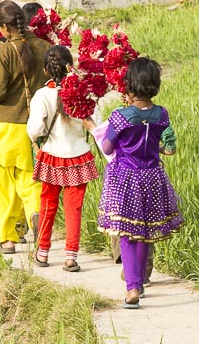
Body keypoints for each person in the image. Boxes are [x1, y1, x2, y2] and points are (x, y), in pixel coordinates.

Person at [97, 57, 181, 308]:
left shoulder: (120, 117)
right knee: (145, 231)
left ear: (130, 85)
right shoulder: (161, 114)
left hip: (125, 177)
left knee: (126, 232)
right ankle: (141, 279)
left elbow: (107, 145)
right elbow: (158, 141)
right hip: (153, 176)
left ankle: (132, 288)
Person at [0, 0, 49, 254]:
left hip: (5, 128)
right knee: (30, 180)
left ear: (4, 28)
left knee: (4, 185)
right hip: (33, 129)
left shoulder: (5, 52)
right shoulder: (44, 47)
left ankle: (8, 239)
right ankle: (35, 213)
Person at [27, 45, 98, 273]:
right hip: (79, 156)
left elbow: (35, 128)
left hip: (52, 157)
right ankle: (71, 257)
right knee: (74, 208)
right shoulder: (82, 93)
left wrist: (35, 138)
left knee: (48, 204)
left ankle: (43, 252)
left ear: (46, 71)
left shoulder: (42, 95)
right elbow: (94, 121)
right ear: (71, 67)